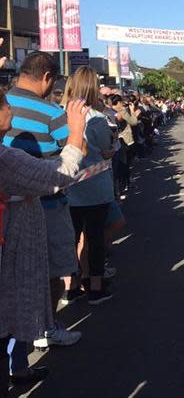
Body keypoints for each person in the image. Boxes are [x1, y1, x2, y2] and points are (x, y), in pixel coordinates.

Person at [0, 94, 90, 393]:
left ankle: (19, 368)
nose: (10, 108)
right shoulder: (6, 159)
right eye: (4, 104)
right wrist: (76, 132)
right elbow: (59, 174)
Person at [63, 67, 115, 305]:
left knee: (70, 238)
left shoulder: (61, 113)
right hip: (95, 185)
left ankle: (71, 286)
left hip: (68, 184)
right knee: (95, 238)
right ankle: (95, 286)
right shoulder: (96, 117)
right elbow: (105, 148)